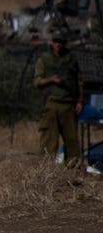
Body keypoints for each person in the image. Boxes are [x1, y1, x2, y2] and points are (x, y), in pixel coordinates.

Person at [37, 27, 84, 168]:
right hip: (51, 104)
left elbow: (79, 82)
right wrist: (50, 79)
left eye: (61, 42)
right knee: (49, 140)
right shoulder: (44, 60)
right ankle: (45, 170)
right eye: (56, 41)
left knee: (71, 141)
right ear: (52, 42)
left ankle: (72, 170)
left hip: (68, 105)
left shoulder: (71, 59)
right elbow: (37, 81)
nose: (58, 45)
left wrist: (80, 101)